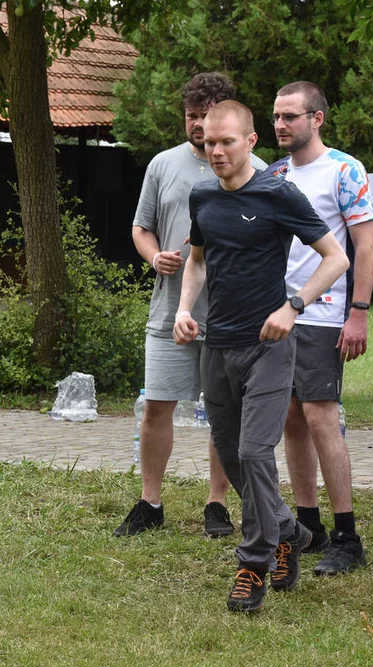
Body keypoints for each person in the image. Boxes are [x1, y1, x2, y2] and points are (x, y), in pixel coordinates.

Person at [173, 101, 349, 612]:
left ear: (251, 141)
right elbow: (198, 262)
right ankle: (289, 530)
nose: (216, 151)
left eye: (227, 142)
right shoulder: (203, 195)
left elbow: (336, 257)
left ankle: (253, 564)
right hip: (218, 346)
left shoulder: (277, 193)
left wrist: (294, 306)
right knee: (230, 456)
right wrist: (185, 308)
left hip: (270, 345)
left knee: (254, 452)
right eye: (208, 142)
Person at [115, 72, 268, 538]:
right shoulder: (162, 165)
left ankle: (217, 503)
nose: (199, 126)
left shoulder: (260, 171)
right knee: (156, 407)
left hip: (231, 316)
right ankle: (150, 502)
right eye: (192, 116)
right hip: (170, 313)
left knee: (225, 414)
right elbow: (142, 228)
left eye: (207, 116)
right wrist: (153, 254)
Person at [269, 81, 373, 575]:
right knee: (291, 418)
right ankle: (307, 526)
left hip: (325, 312)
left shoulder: (344, 170)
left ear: (317, 119)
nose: (281, 125)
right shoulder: (275, 173)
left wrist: (359, 310)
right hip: (280, 314)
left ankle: (347, 536)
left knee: (320, 417)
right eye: (276, 116)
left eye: (291, 116)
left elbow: (366, 244)